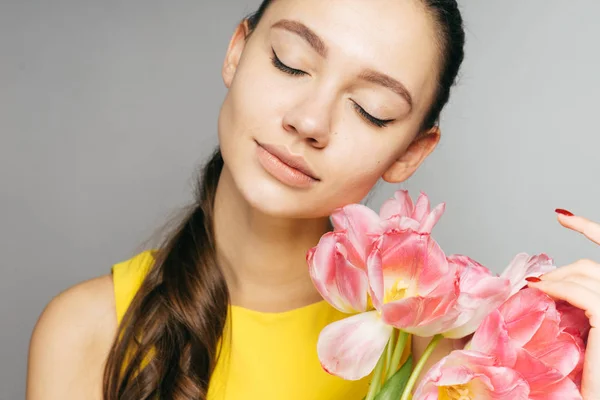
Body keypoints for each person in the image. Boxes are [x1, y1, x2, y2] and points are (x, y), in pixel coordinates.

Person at [25, 0, 600, 399]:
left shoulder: (452, 365)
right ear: (237, 51)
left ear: (411, 153)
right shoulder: (84, 332)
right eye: (289, 62)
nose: (308, 121)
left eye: (371, 109)